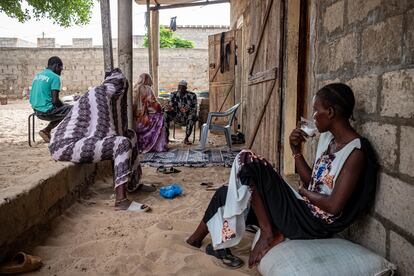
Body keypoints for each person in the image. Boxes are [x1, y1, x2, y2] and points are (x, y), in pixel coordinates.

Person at [186, 83, 378, 269]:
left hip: (312, 221)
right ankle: (195, 239)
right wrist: (295, 150)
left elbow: (333, 206)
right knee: (227, 192)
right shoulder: (330, 141)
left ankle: (268, 232)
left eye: (315, 110)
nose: (313, 116)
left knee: (247, 160)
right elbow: (313, 183)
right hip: (301, 208)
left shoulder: (355, 153)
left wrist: (301, 192)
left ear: (330, 112)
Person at [48, 68, 155, 212]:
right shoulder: (99, 94)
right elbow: (103, 132)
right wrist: (119, 142)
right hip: (65, 145)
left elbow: (120, 130)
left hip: (82, 140)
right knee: (122, 144)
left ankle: (133, 184)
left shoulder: (111, 96)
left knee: (130, 135)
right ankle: (121, 201)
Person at [29, 56, 72, 142]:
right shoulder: (55, 77)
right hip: (47, 112)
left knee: (65, 109)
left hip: (36, 111)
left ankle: (47, 131)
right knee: (73, 109)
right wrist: (65, 106)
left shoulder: (38, 76)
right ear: (56, 66)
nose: (61, 71)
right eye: (61, 68)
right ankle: (48, 130)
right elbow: (55, 101)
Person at [133, 73, 168, 153]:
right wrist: (160, 109)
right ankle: (157, 146)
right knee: (161, 118)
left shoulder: (135, 88)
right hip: (144, 118)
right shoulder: (147, 88)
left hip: (136, 118)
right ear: (147, 79)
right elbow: (153, 103)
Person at [164, 80, 197, 144]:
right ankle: (166, 136)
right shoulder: (173, 94)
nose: (180, 89)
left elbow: (194, 108)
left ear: (186, 88)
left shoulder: (192, 95)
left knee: (192, 116)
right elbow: (170, 105)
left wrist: (188, 110)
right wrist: (170, 108)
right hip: (176, 115)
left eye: (182, 87)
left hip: (187, 116)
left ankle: (186, 138)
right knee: (165, 114)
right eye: (179, 87)